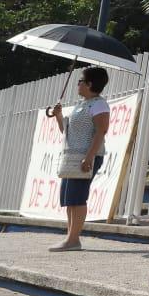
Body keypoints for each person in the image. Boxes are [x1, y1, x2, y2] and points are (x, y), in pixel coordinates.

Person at [46, 66, 111, 251]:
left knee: (78, 196)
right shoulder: (81, 104)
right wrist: (58, 116)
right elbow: (66, 131)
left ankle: (73, 239)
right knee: (70, 198)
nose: (78, 84)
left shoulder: (99, 104)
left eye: (80, 81)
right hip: (73, 157)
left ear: (89, 84)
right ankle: (70, 237)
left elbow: (101, 131)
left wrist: (89, 157)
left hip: (86, 157)